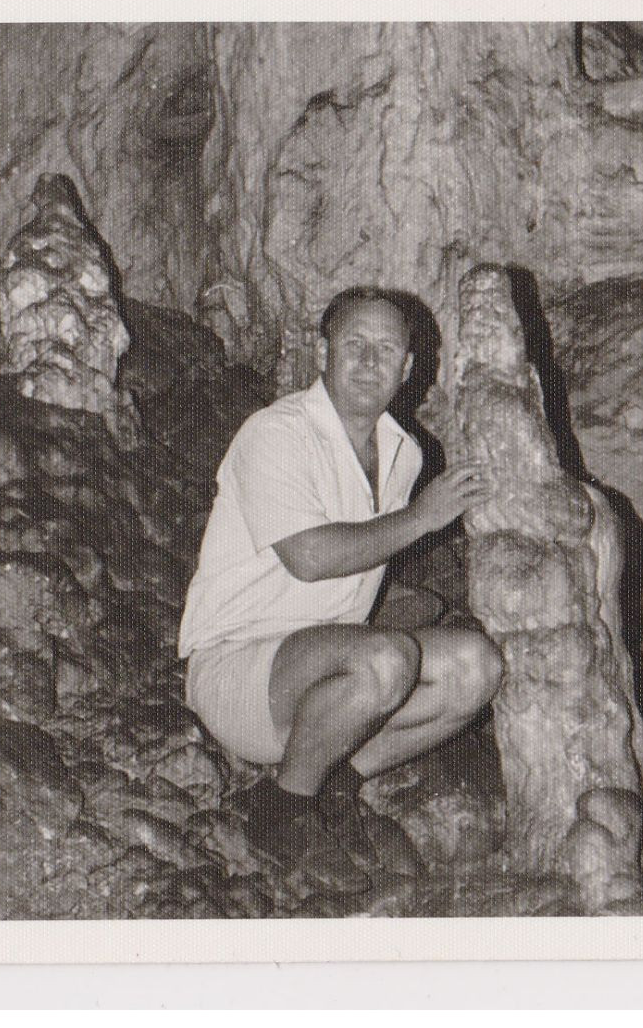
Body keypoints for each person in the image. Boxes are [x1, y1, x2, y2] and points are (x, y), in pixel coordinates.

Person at [178, 286, 505, 888]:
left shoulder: (403, 454)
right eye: (354, 344)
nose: (369, 362)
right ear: (321, 350)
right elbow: (309, 557)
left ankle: (338, 784)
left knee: (475, 666)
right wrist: (424, 518)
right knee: (384, 658)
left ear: (409, 369)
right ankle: (283, 810)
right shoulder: (276, 433)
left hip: (326, 664)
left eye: (387, 349)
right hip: (242, 671)